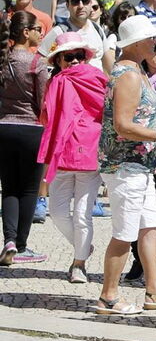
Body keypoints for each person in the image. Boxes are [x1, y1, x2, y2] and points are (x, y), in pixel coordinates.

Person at [95, 16, 156, 315]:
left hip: (139, 166)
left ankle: (155, 290)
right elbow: (123, 125)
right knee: (125, 232)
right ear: (135, 43)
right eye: (151, 40)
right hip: (126, 165)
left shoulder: (135, 70)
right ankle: (108, 296)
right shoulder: (130, 75)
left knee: (150, 228)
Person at [36, 31, 107, 281]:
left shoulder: (97, 78)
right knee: (55, 212)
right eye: (68, 57)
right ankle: (84, 248)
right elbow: (47, 119)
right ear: (58, 61)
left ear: (85, 57)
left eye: (78, 56)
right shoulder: (54, 83)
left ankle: (79, 264)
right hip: (62, 154)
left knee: (82, 214)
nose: (74, 61)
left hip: (89, 152)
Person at [0, 12, 49, 266]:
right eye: (37, 29)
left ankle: (8, 240)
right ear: (25, 32)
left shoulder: (2, 60)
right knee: (29, 188)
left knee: (8, 187)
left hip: (4, 128)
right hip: (30, 129)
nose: (41, 33)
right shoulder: (36, 63)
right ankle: (21, 244)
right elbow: (42, 102)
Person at [40, 0, 111, 73]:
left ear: (90, 3)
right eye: (75, 2)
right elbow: (38, 61)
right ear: (67, 5)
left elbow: (108, 65)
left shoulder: (97, 29)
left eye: (85, 1)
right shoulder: (59, 32)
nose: (81, 6)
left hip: (97, 85)